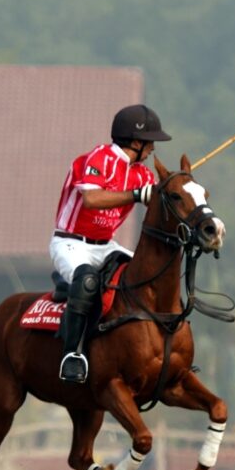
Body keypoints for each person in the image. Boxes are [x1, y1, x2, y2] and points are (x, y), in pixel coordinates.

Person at [50, 104, 172, 383]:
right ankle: (73, 354)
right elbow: (92, 200)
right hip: (71, 243)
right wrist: (135, 195)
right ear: (137, 141)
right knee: (88, 281)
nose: (153, 149)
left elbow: (153, 202)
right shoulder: (96, 159)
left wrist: (172, 191)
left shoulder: (142, 174)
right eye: (150, 142)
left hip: (106, 245)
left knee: (146, 276)